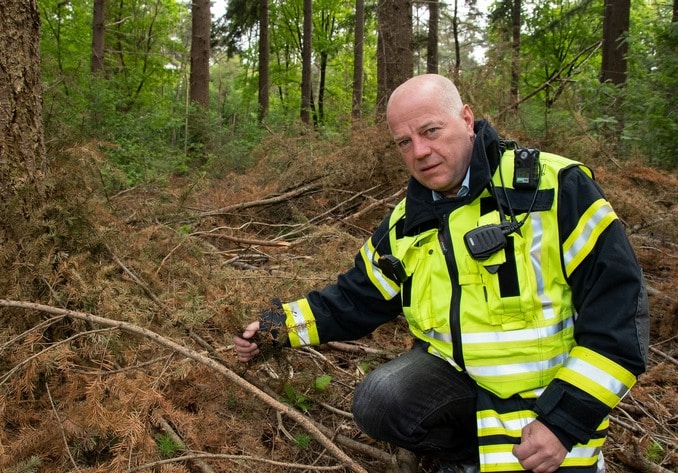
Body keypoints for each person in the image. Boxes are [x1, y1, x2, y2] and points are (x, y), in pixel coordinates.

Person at [233, 74, 649, 473]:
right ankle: (469, 457)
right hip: (465, 395)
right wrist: (276, 327)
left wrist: (565, 421)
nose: (420, 152)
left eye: (431, 131)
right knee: (380, 399)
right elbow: (356, 298)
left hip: (551, 406)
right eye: (404, 142)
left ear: (466, 119)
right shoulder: (408, 221)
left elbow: (620, 316)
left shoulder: (553, 188)